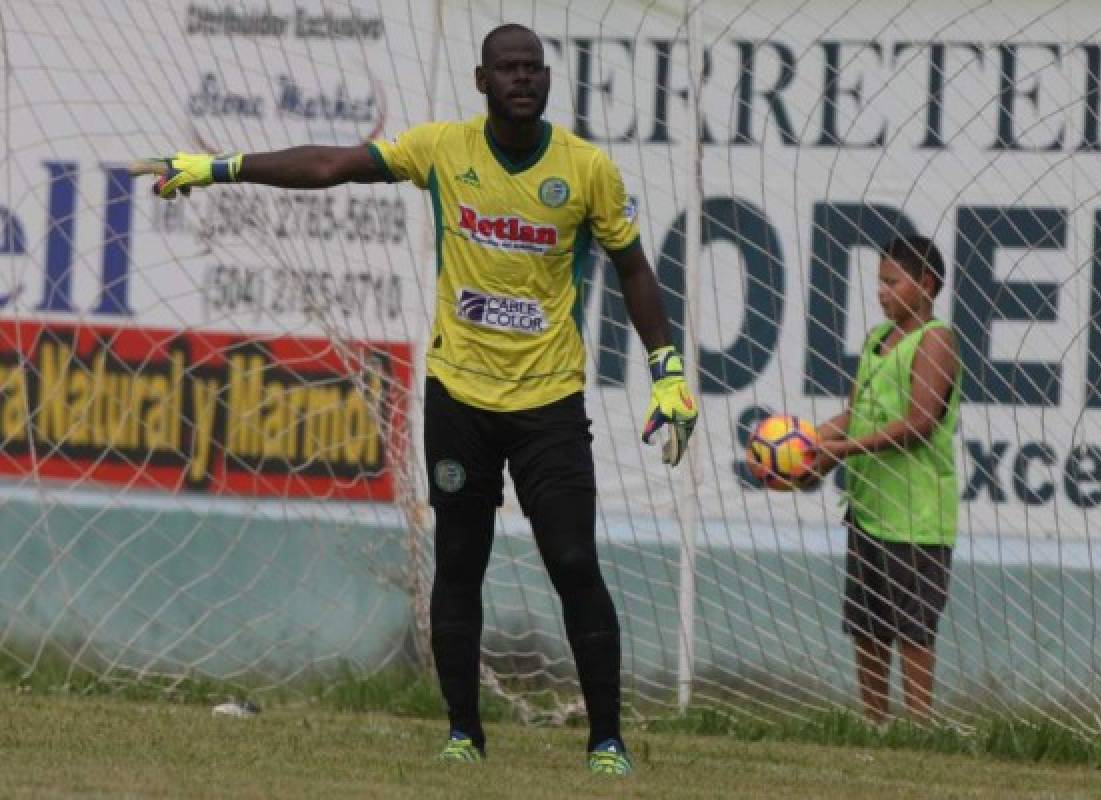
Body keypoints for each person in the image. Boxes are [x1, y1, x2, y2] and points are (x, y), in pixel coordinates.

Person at [136, 23, 698, 775]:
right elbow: (333, 163)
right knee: (460, 561)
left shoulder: (586, 169)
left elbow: (633, 268)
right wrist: (218, 166)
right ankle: (464, 733)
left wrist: (666, 368)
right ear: (481, 80)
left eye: (534, 68)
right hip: (459, 397)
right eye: (508, 68)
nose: (523, 79)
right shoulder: (442, 149)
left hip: (548, 401)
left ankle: (606, 741)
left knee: (572, 559)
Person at [797, 235, 960, 726]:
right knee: (867, 626)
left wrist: (839, 451)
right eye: (878, 283)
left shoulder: (935, 339)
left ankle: (918, 727)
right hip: (869, 509)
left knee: (911, 629)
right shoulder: (876, 340)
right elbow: (858, 414)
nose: (881, 292)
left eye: (892, 282)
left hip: (916, 516)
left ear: (926, 283)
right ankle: (875, 724)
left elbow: (919, 422)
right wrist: (807, 446)